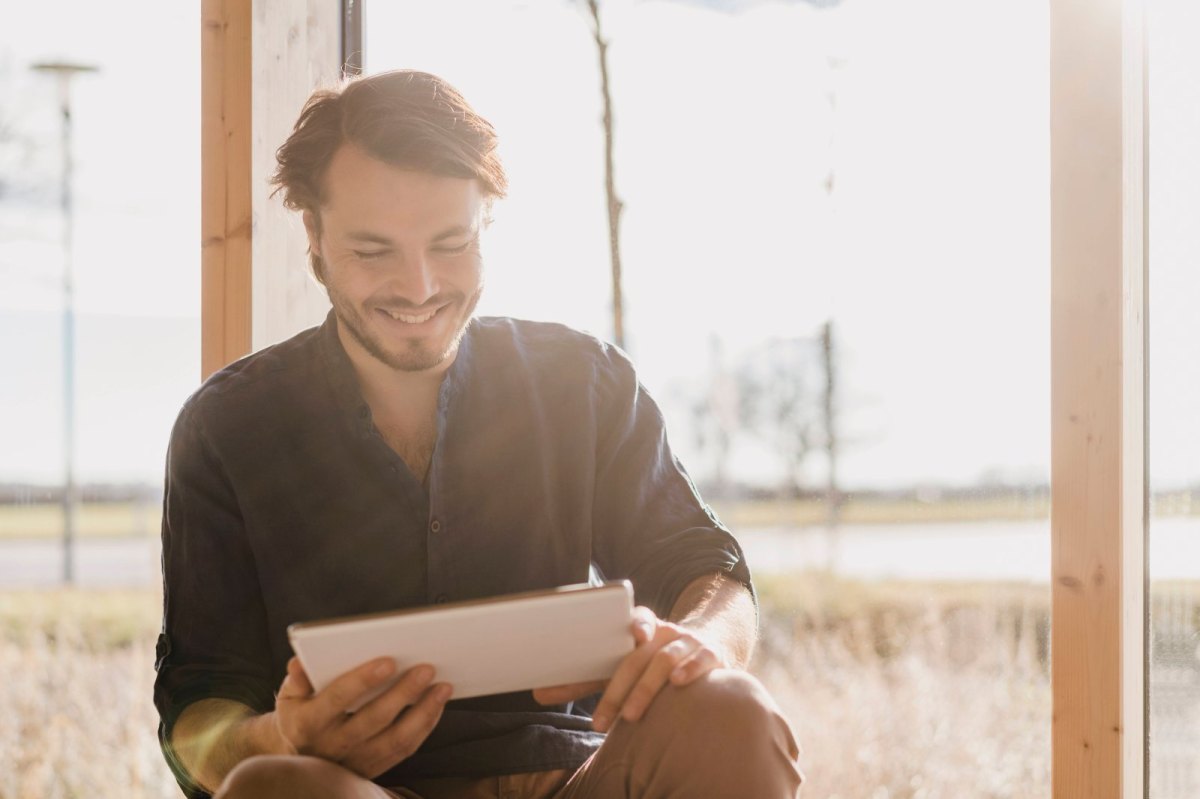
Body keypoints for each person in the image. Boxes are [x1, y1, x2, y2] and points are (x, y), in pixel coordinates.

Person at [153, 69, 803, 799]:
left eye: (451, 242)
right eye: (374, 251)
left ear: (486, 222)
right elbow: (196, 705)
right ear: (314, 234)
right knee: (275, 784)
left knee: (729, 708)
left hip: (581, 778)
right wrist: (284, 736)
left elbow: (706, 566)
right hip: (356, 789)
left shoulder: (581, 380)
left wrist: (702, 643)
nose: (421, 286)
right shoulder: (227, 425)